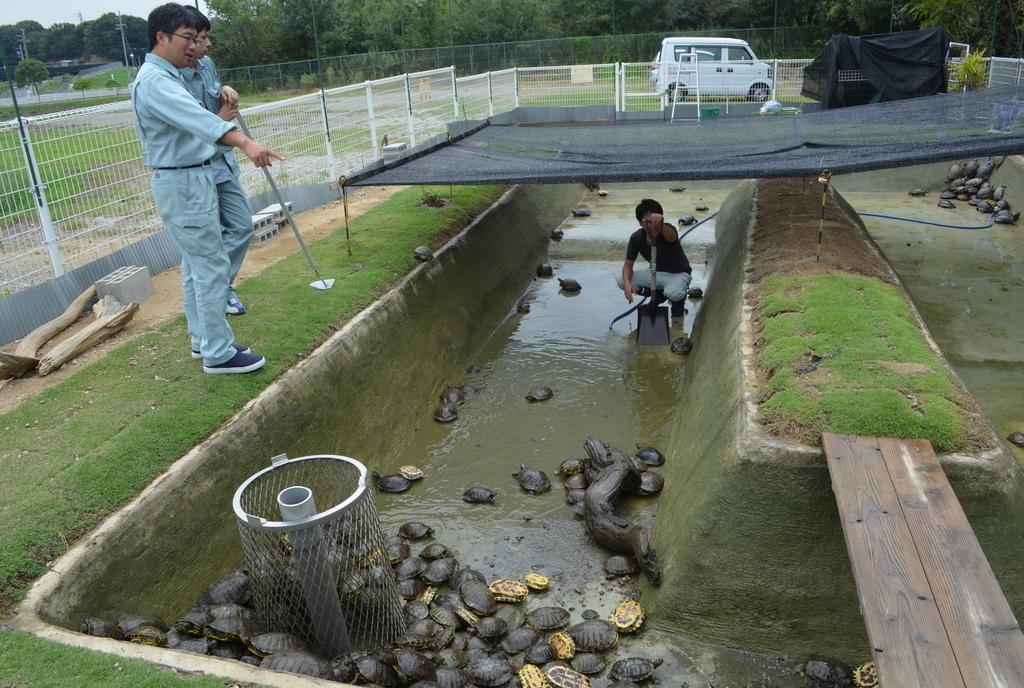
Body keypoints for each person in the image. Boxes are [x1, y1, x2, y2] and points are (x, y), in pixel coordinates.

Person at [131, 3, 281, 374]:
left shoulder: (172, 74)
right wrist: (246, 143)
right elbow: (199, 119)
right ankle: (218, 352)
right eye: (188, 38)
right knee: (210, 264)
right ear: (161, 37)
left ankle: (204, 341)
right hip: (182, 180)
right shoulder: (156, 81)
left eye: (198, 38)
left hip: (192, 175)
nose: (195, 45)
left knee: (198, 265)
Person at [179, 7, 251, 317]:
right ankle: (208, 304)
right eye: (200, 38)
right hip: (194, 170)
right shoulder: (169, 76)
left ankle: (222, 287)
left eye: (206, 37)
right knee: (200, 246)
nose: (207, 44)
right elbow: (191, 125)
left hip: (222, 164)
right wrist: (219, 120)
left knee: (241, 226)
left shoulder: (206, 65)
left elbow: (216, 102)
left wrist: (226, 91)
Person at [616, 198, 692, 318]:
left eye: (654, 219)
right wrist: (627, 285)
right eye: (647, 220)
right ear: (640, 222)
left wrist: (661, 225)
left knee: (674, 293)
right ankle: (658, 295)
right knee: (622, 280)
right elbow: (628, 265)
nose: (652, 224)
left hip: (678, 274)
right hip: (655, 273)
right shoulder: (636, 237)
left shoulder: (668, 229)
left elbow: (672, 237)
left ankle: (677, 302)